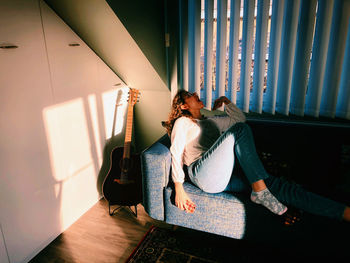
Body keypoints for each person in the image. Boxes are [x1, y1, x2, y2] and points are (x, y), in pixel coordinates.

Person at [162, 89, 350, 222]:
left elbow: (239, 119)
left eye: (194, 93)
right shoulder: (182, 122)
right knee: (241, 131)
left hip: (224, 174)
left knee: (278, 186)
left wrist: (227, 102)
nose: (196, 95)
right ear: (184, 106)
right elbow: (175, 152)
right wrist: (179, 188)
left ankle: (343, 212)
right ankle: (260, 192)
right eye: (189, 96)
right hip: (201, 173)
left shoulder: (211, 121)